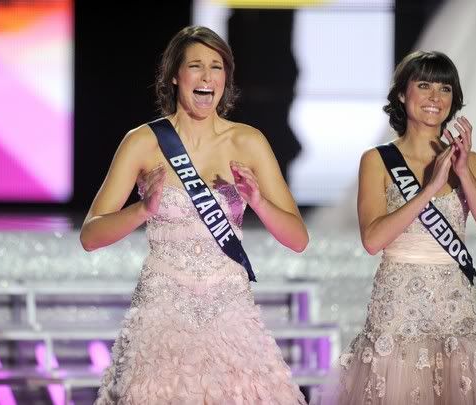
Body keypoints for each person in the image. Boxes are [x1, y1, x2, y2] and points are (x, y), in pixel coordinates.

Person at [79, 25, 308, 404]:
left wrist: (259, 203)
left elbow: (298, 239)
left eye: (216, 67)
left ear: (226, 78)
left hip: (229, 313)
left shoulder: (248, 142)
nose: (206, 77)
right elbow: (90, 236)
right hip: (162, 313)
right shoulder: (143, 141)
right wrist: (142, 210)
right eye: (196, 66)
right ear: (175, 76)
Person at [317, 51, 476, 404]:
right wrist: (428, 190)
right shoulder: (377, 160)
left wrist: (462, 173)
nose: (434, 97)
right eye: (424, 85)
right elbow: (372, 240)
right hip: (399, 311)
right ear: (402, 94)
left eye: (444, 88)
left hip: (456, 310)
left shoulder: (469, 162)